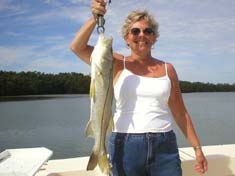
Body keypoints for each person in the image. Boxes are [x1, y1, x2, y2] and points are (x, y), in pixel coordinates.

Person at [70, 0, 208, 175]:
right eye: (135, 31)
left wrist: (197, 148)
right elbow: (77, 47)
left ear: (154, 37)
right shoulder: (115, 62)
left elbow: (181, 113)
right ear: (127, 38)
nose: (141, 35)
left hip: (164, 147)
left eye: (147, 31)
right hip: (125, 145)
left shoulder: (168, 69)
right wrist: (94, 18)